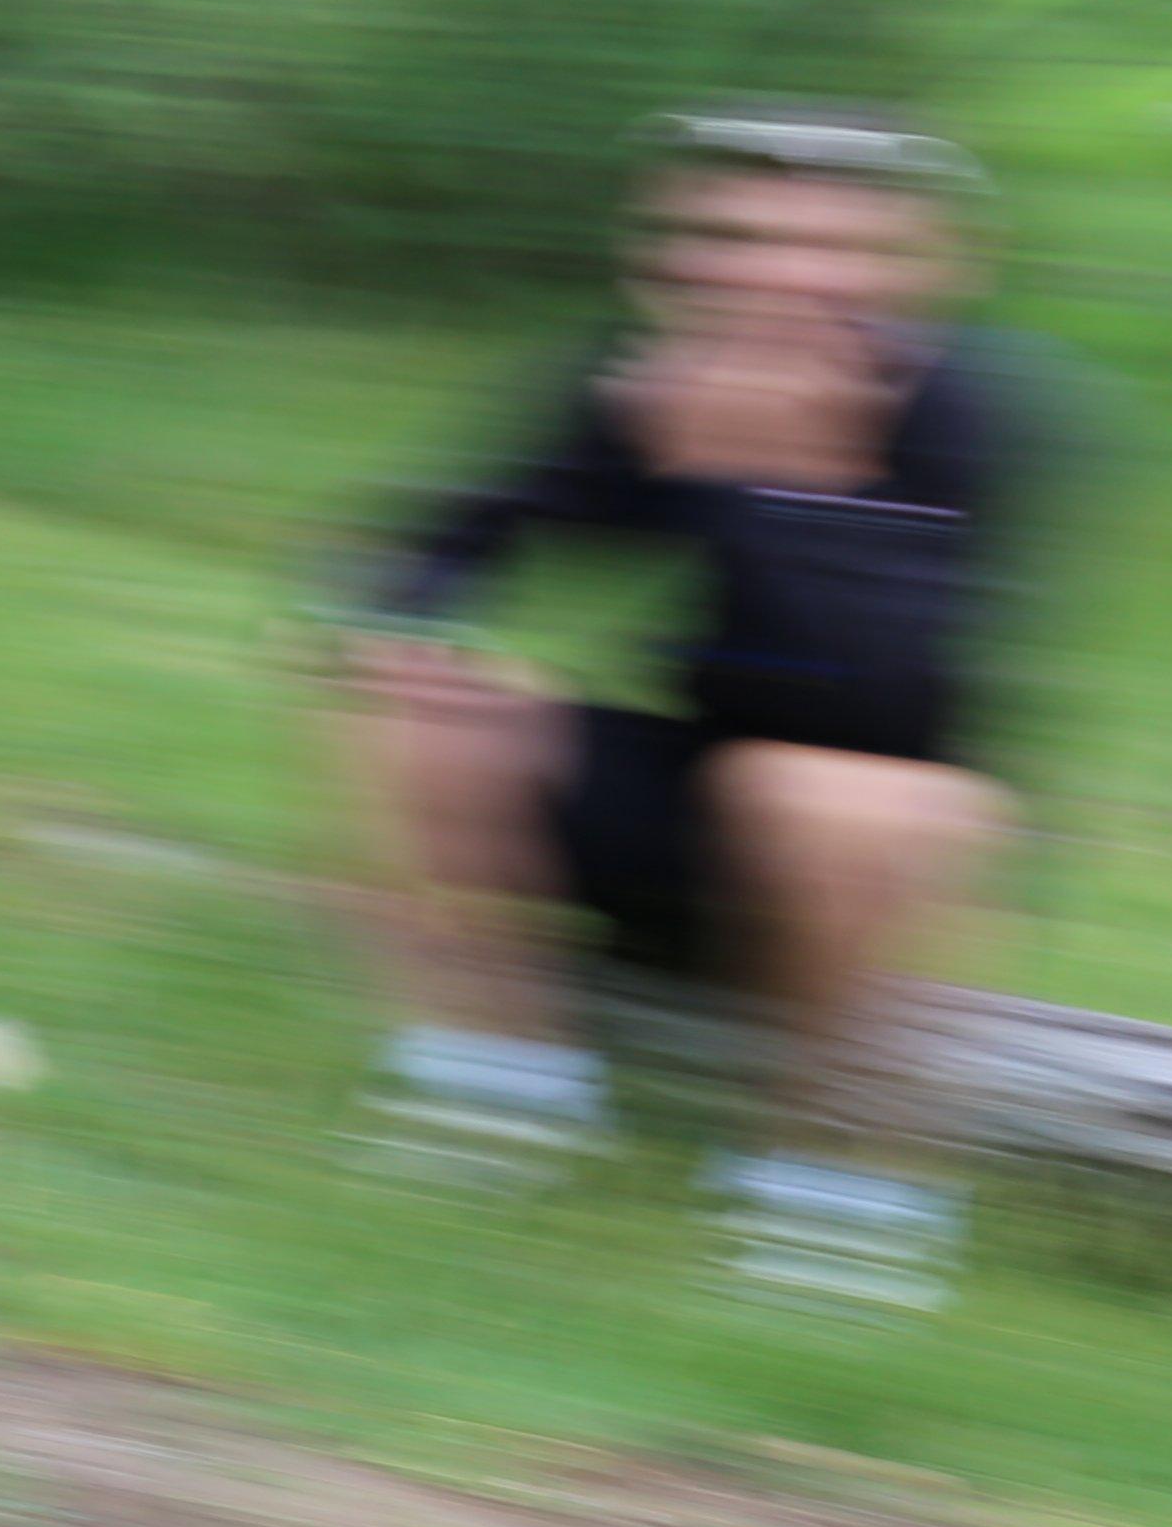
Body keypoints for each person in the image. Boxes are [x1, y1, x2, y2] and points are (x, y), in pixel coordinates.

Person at [325, 107, 1041, 1306]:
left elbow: (890, 695)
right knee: (421, 700)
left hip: (882, 853)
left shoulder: (976, 414)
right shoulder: (635, 377)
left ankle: (836, 1175)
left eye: (817, 245)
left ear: (920, 267)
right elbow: (436, 542)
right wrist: (408, 633)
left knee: (817, 792)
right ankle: (498, 1091)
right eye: (720, 234)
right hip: (684, 804)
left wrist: (778, 496)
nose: (759, 271)